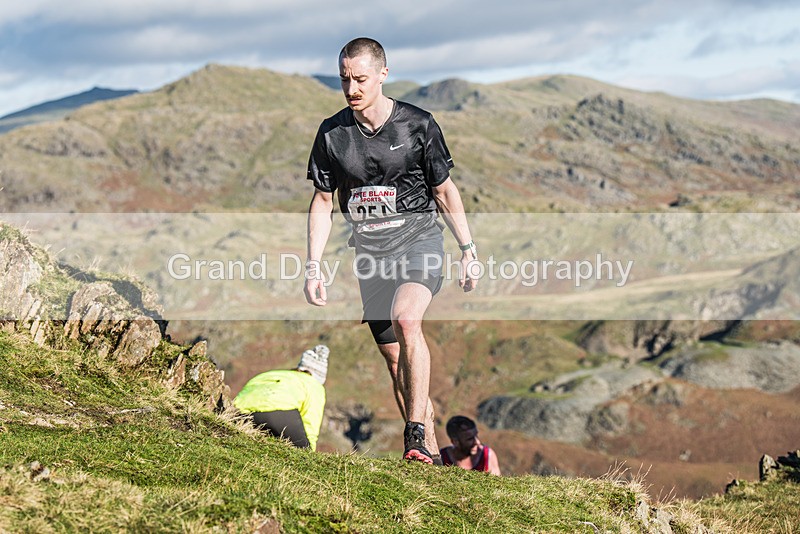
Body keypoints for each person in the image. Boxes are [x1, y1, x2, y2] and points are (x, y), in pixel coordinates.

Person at [305, 37, 478, 464]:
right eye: (344, 79)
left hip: (419, 241)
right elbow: (324, 202)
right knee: (395, 358)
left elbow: (444, 190)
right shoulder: (332, 134)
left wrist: (468, 249)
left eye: (360, 78)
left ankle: (414, 435)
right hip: (370, 255)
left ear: (383, 73)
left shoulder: (418, 125)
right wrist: (313, 267)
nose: (352, 89)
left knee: (407, 319)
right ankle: (432, 459)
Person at [233, 345, 329, 451]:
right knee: (304, 453)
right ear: (319, 377)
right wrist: (309, 449)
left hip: (241, 412)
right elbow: (310, 421)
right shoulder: (314, 385)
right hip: (279, 415)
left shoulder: (277, 374)